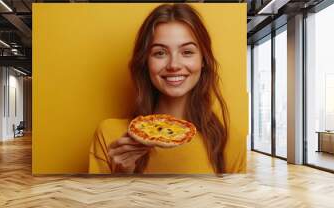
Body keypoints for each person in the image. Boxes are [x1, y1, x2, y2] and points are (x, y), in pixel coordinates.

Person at [88, 3, 245, 174]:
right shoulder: (111, 136)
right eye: (160, 53)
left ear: (203, 60)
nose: (174, 65)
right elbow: (103, 202)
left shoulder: (229, 141)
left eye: (187, 52)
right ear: (145, 62)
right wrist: (123, 175)